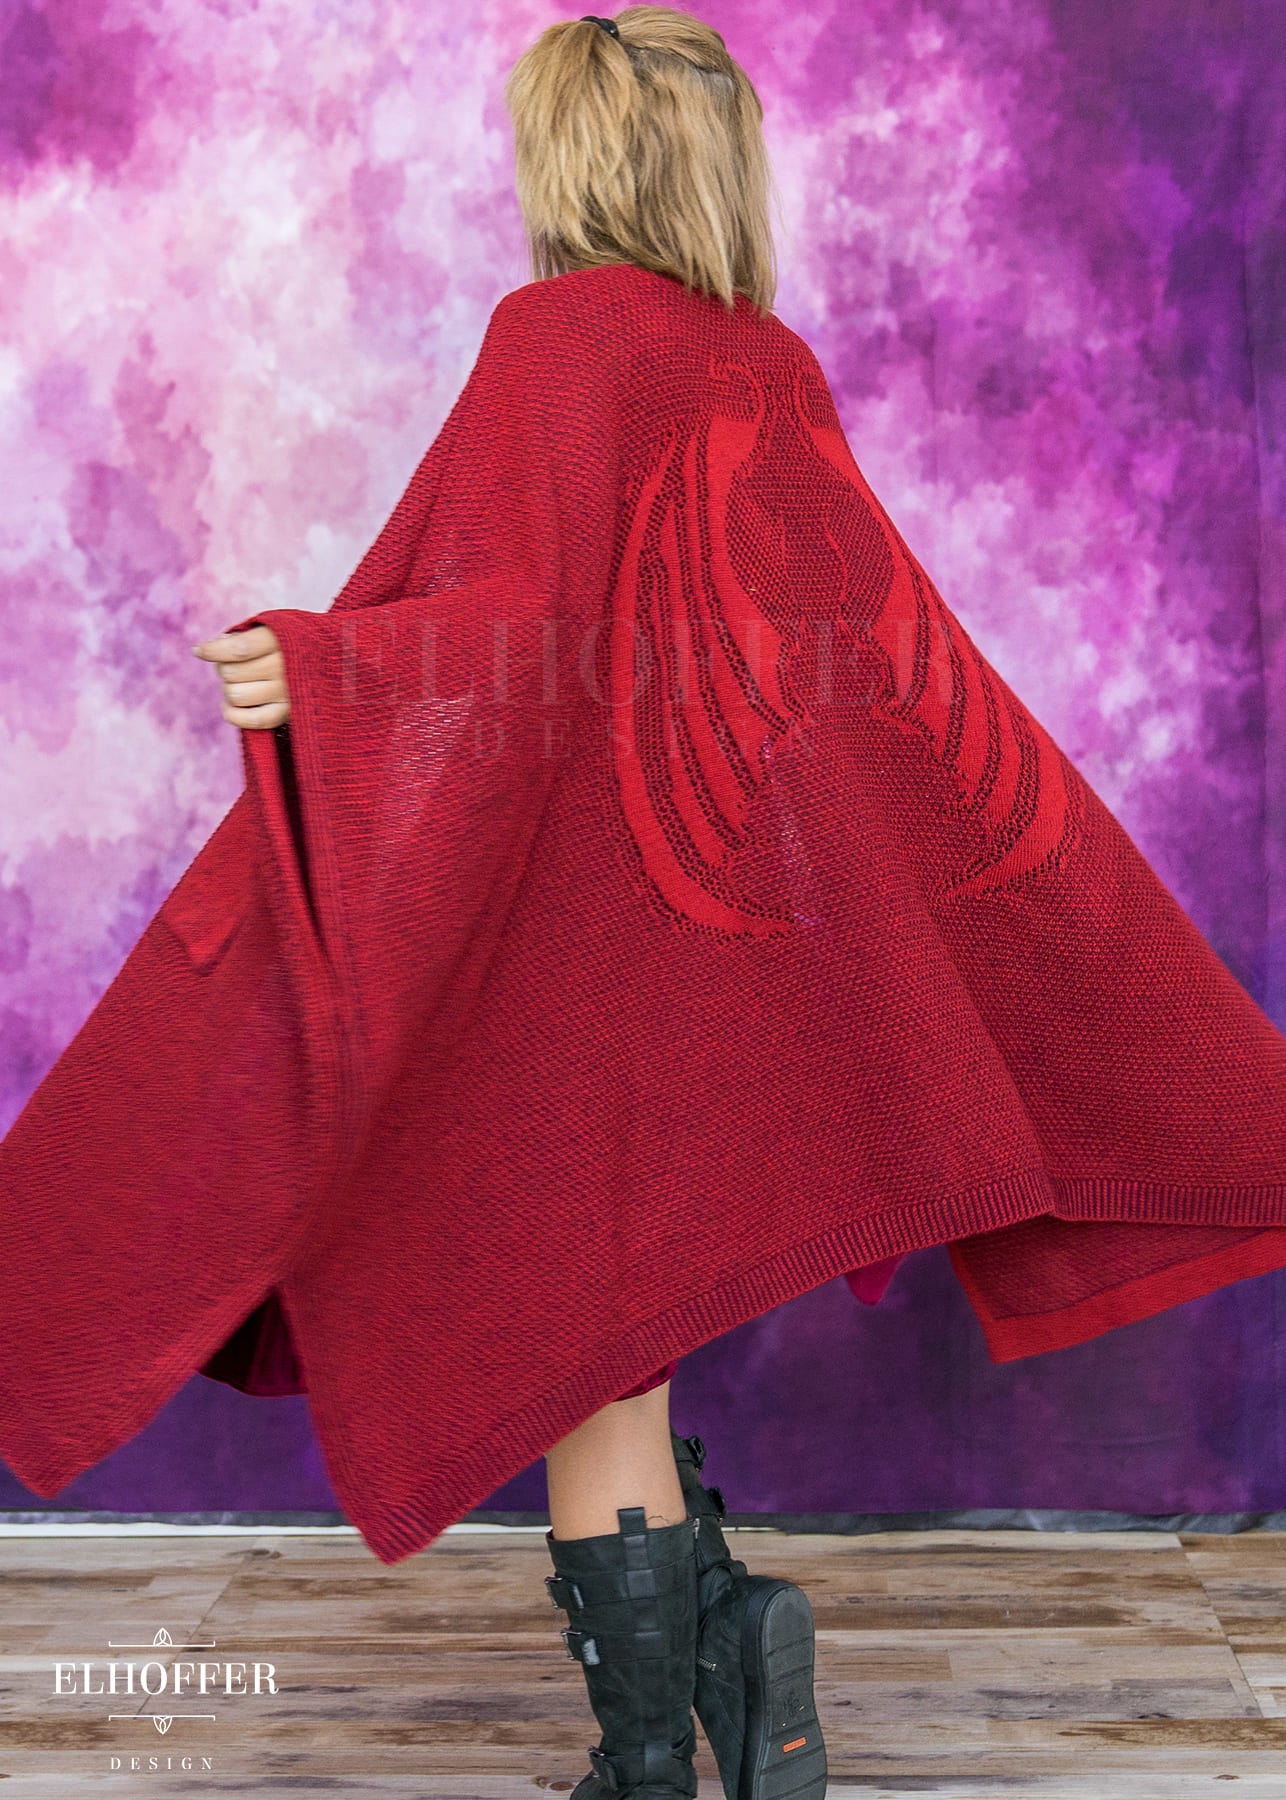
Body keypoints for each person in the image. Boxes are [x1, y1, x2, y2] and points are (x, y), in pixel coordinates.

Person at [8, 9, 1286, 1800]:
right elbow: (857, 665)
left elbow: (516, 627)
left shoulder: (556, 342)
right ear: (717, 168)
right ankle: (733, 1634)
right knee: (631, 1343)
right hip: (738, 962)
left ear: (572, 162)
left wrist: (324, 671)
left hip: (593, 973)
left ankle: (643, 1761)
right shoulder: (769, 365)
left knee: (586, 1354)